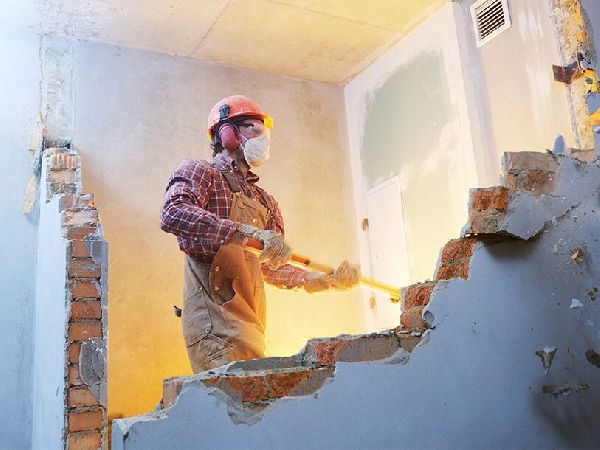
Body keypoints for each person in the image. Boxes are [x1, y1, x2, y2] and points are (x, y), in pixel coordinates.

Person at [160, 95, 359, 373]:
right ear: (227, 133)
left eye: (265, 131)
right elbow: (173, 212)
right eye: (254, 128)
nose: (263, 138)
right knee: (229, 396)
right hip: (214, 326)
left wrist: (323, 280)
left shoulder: (265, 201)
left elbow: (270, 267)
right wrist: (244, 232)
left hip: (251, 325)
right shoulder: (201, 172)